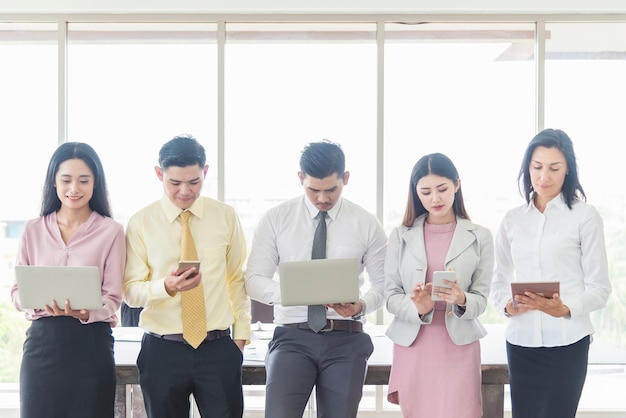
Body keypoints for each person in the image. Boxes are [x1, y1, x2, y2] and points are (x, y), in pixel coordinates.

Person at [245, 140, 388, 418]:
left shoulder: (366, 224)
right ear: (300, 179)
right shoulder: (276, 220)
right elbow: (254, 280)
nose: (322, 198)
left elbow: (384, 284)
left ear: (345, 179)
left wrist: (359, 306)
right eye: (313, 190)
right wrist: (292, 292)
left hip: (346, 338)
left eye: (331, 190)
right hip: (291, 337)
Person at [123, 134, 250, 418]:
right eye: (175, 183)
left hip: (217, 347)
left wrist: (240, 337)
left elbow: (236, 279)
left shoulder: (225, 216)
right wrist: (164, 287)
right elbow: (130, 291)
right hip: (162, 350)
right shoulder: (141, 223)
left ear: (205, 172)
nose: (185, 191)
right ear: (159, 174)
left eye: (194, 182)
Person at [490, 128, 612, 418]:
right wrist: (506, 306)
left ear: (568, 169)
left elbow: (600, 288)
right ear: (527, 168)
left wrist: (565, 308)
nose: (544, 177)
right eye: (537, 167)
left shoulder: (585, 217)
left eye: (554, 168)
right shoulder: (512, 220)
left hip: (568, 342)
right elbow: (498, 281)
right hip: (521, 343)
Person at [10, 142, 126, 418]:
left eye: (84, 180)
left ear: (96, 183)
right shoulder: (32, 229)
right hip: (42, 348)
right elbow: (16, 293)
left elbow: (112, 299)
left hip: (91, 347)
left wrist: (85, 310)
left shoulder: (111, 232)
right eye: (66, 180)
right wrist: (36, 303)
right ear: (53, 181)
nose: (74, 188)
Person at [384, 152, 493, 418]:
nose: (435, 198)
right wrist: (418, 308)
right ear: (416, 193)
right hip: (416, 343)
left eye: (442, 189)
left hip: (459, 345)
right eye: (426, 192)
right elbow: (390, 295)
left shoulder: (480, 236)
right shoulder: (400, 235)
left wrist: (461, 299)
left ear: (457, 184)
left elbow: (482, 298)